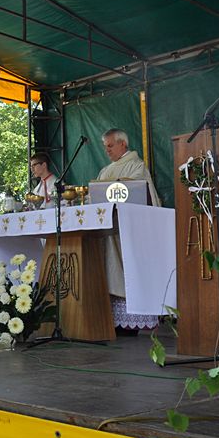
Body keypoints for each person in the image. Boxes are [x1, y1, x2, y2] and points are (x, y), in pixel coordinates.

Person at [97, 128, 160, 334]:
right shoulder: (106, 170)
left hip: (130, 231)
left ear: (123, 143)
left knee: (128, 271)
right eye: (105, 146)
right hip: (109, 230)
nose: (107, 150)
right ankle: (114, 321)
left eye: (110, 145)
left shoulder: (136, 166)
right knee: (110, 269)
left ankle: (133, 321)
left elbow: (138, 193)